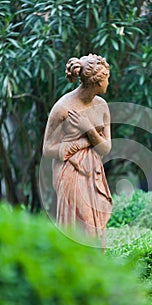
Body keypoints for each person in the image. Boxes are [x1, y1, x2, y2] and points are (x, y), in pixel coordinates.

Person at [43, 54, 112, 243]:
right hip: (70, 172)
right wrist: (75, 146)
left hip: (94, 172)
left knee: (97, 230)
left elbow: (105, 148)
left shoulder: (102, 106)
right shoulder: (63, 108)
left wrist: (89, 130)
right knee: (83, 226)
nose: (108, 81)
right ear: (96, 81)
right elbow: (47, 149)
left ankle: (96, 271)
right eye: (106, 78)